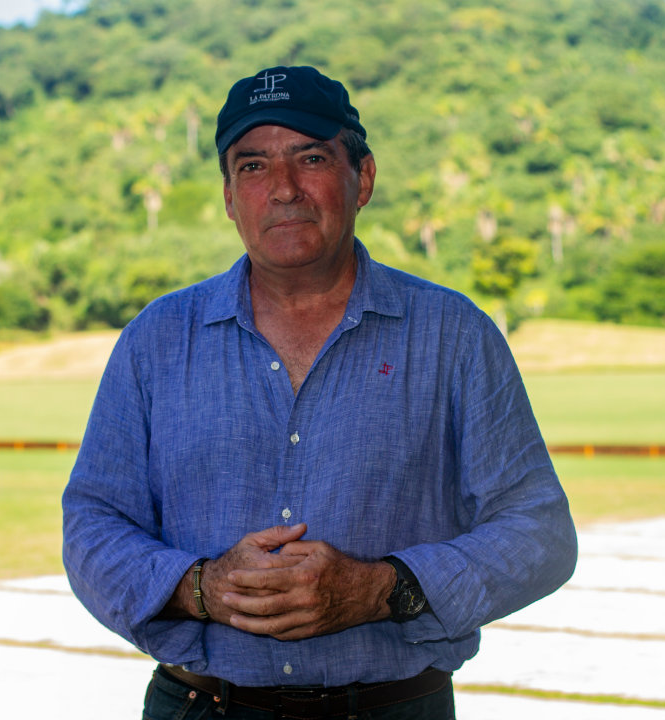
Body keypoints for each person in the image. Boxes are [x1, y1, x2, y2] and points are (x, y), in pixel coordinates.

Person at [63, 65, 577, 720]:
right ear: (229, 196)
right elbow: (93, 524)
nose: (283, 189)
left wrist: (382, 590)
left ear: (363, 178)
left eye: (311, 158)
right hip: (200, 705)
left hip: (395, 709)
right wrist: (202, 589)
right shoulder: (157, 339)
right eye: (253, 166)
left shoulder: (453, 334)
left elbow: (540, 532)